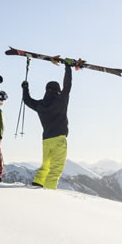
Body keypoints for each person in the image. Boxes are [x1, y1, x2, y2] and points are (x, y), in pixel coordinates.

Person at [21, 61, 79, 189]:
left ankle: (36, 186)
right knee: (55, 170)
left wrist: (25, 88)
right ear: (58, 90)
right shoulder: (61, 100)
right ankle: (48, 196)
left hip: (46, 140)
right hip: (59, 139)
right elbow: (68, 85)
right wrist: (67, 67)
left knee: (45, 166)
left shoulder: (41, 105)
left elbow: (27, 100)